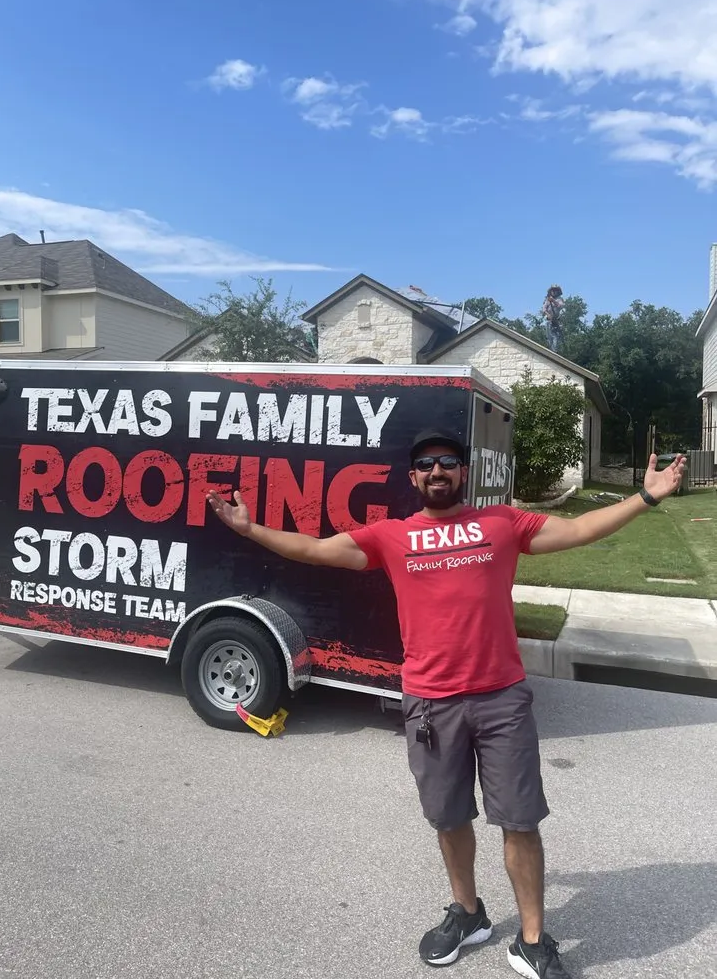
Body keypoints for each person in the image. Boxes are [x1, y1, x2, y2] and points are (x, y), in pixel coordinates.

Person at [207, 430, 685, 979]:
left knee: (520, 821)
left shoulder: (501, 524)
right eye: (426, 465)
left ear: (463, 473)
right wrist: (250, 529)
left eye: (448, 463)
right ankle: (469, 912)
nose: (437, 471)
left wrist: (646, 497)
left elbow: (578, 529)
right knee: (449, 817)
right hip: (431, 705)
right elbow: (316, 549)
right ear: (413, 478)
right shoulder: (392, 536)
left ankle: (531, 940)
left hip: (502, 699)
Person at [542, 286, 564, 353]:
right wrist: (548, 314)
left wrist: (553, 301)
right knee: (549, 336)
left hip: (557, 320)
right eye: (553, 291)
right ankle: (550, 350)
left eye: (555, 290)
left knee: (556, 336)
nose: (554, 292)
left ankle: (555, 351)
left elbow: (560, 306)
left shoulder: (559, 299)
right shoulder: (547, 300)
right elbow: (544, 309)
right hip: (549, 320)